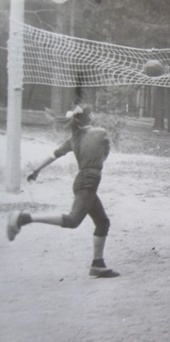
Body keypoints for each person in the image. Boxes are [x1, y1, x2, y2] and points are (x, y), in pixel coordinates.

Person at [6, 104, 119, 278]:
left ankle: (98, 264)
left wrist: (36, 170)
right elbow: (105, 154)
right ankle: (24, 218)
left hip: (83, 182)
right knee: (73, 220)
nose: (95, 115)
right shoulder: (100, 132)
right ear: (89, 117)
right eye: (92, 113)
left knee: (103, 222)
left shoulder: (74, 138)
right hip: (88, 183)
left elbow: (53, 155)